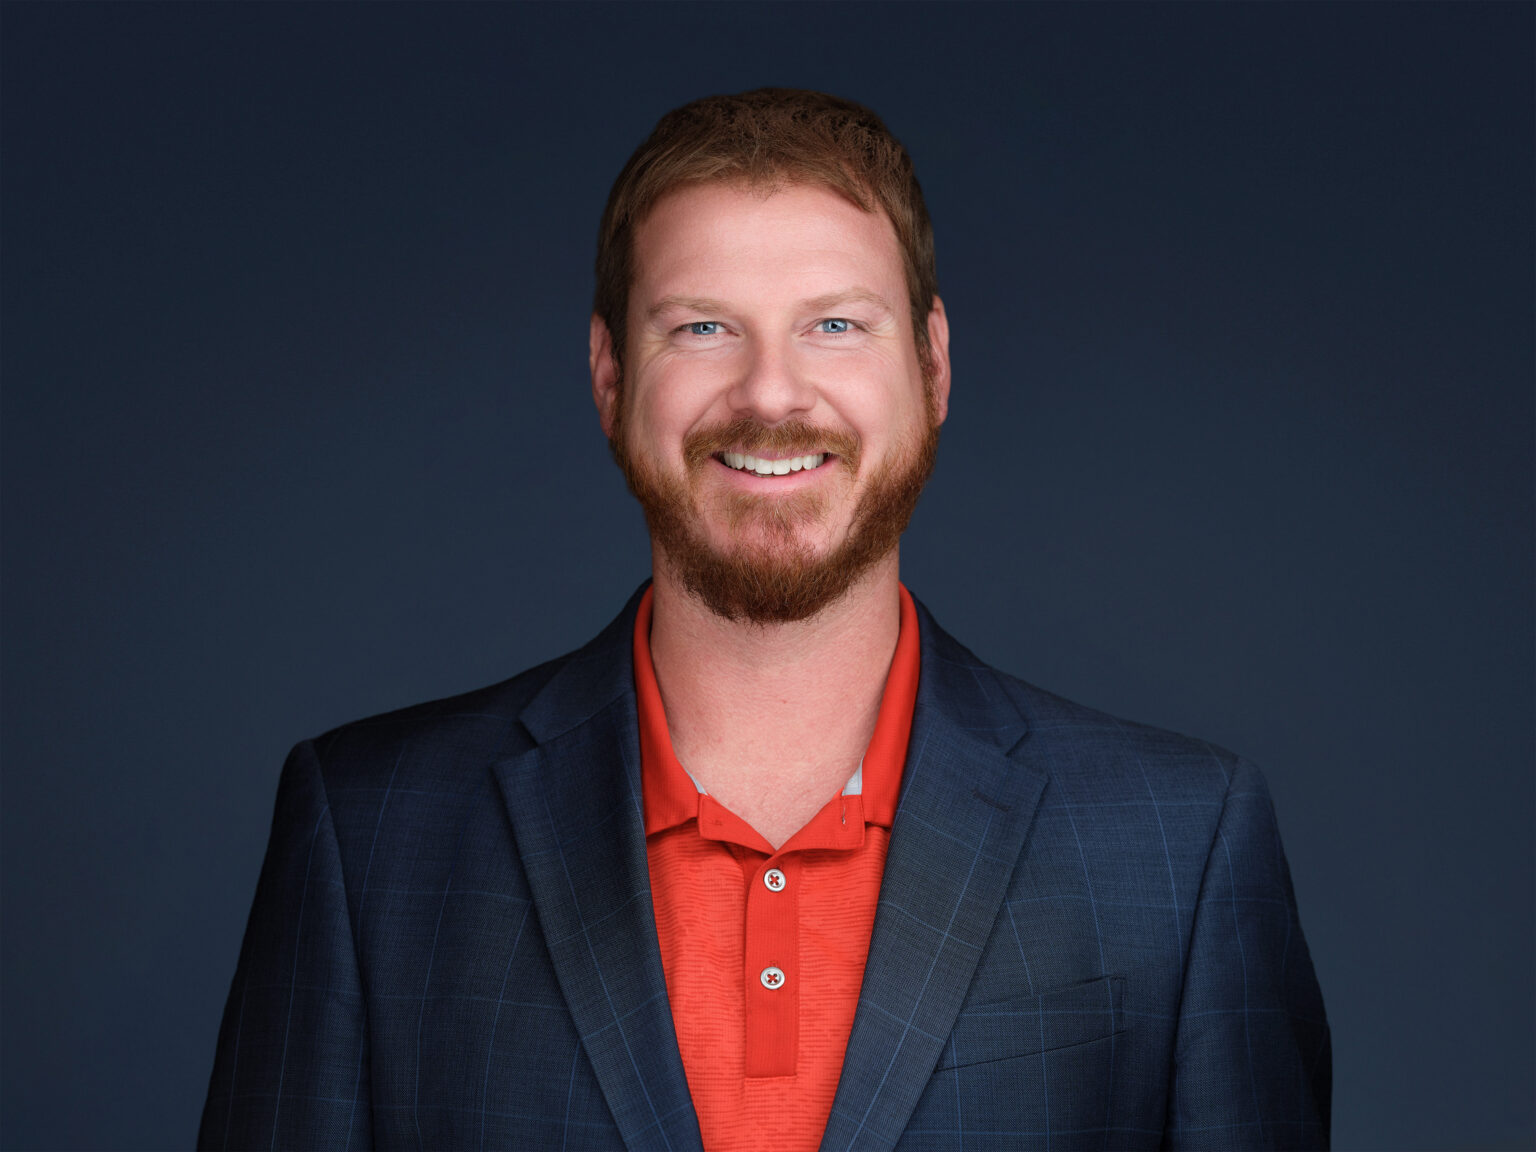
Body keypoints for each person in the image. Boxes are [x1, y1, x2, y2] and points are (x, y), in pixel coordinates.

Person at [199, 88, 1329, 1151]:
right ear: (608, 375)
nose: (773, 394)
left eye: (836, 325)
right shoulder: (373, 831)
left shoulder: (1178, 842)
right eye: (702, 329)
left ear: (932, 367)